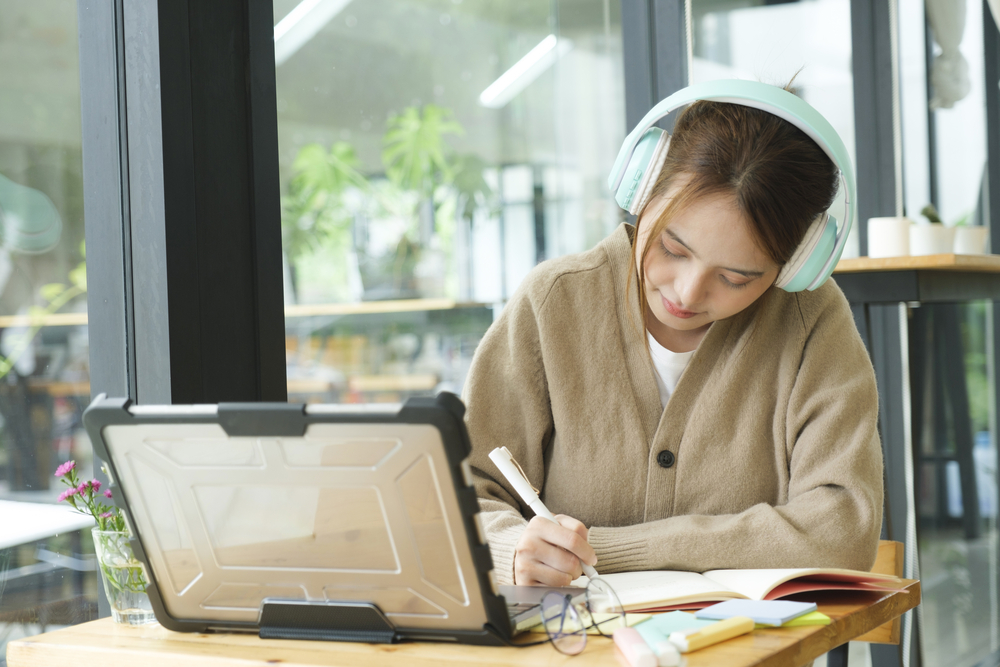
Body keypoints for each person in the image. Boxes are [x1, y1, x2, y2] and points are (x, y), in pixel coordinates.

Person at [461, 81, 884, 588]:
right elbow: (462, 495)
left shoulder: (809, 320)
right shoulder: (554, 302)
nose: (686, 292)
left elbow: (843, 529)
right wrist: (511, 548)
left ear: (794, 265)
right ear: (642, 189)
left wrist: (610, 550)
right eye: (673, 248)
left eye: (735, 278)